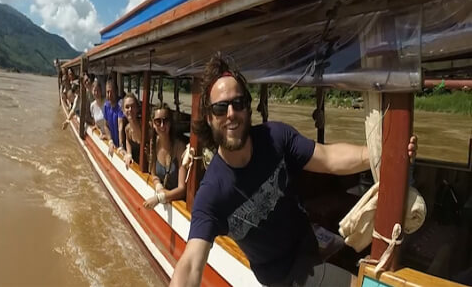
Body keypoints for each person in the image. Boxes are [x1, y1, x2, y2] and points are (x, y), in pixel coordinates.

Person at [170, 53, 417, 287]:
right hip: (285, 275)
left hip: (308, 244)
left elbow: (329, 157)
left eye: (238, 103)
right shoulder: (213, 192)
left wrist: (383, 154)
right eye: (220, 108)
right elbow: (191, 263)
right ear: (210, 118)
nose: (231, 114)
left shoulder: (275, 138)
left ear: (248, 107)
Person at [143, 103, 187, 209]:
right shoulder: (153, 144)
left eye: (165, 120)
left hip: (179, 204)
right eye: (158, 121)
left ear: (170, 123)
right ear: (152, 124)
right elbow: (153, 174)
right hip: (165, 200)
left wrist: (159, 198)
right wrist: (158, 186)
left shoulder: (180, 148)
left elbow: (182, 189)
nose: (162, 125)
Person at [103, 78, 125, 155]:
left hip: (123, 146)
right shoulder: (106, 105)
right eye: (107, 92)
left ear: (116, 92)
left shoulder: (120, 104)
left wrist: (121, 146)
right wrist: (110, 141)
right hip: (113, 143)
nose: (109, 95)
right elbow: (106, 126)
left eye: (112, 92)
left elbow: (120, 126)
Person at [122, 93, 142, 168]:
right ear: (123, 111)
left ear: (137, 108)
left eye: (133, 106)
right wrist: (129, 154)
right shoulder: (127, 129)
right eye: (127, 107)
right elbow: (128, 141)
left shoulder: (145, 126)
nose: (130, 109)